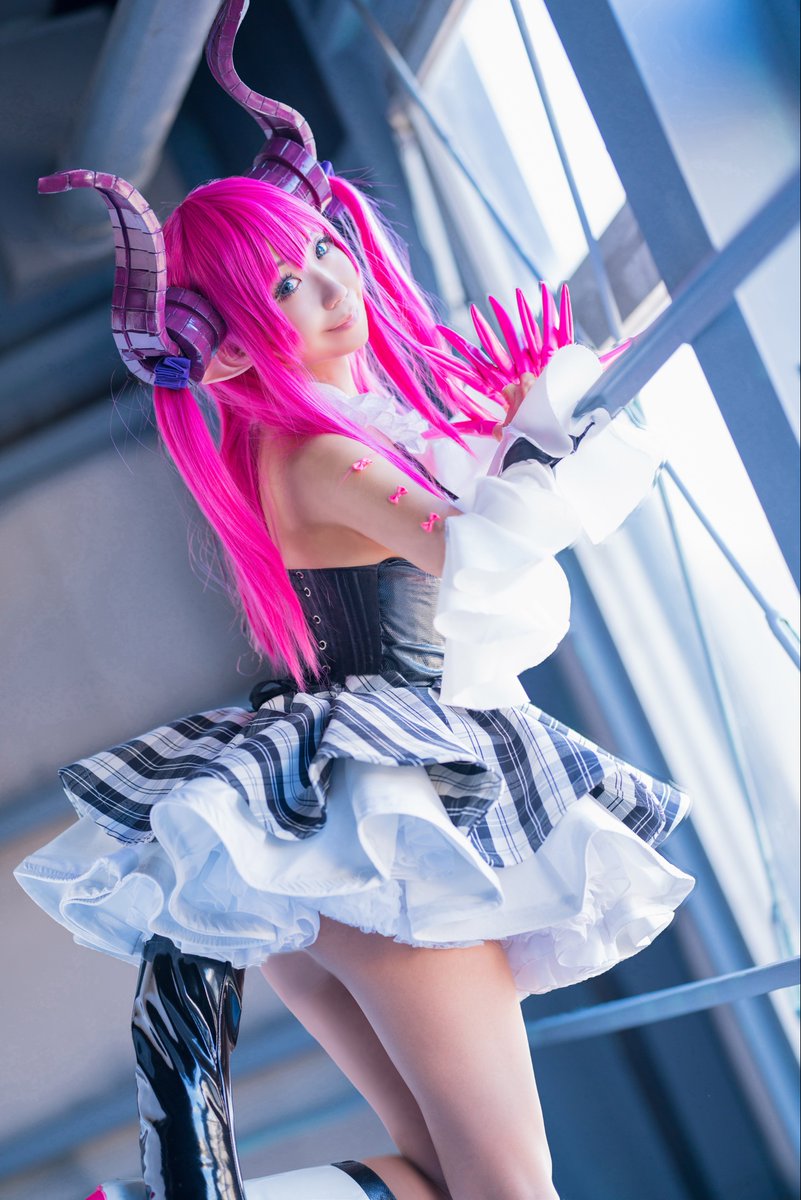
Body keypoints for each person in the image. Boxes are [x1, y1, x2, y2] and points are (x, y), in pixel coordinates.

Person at [14, 4, 696, 1199]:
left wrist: (510, 435)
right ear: (230, 350)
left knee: (447, 1182)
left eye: (322, 250)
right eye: (286, 283)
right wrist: (557, 437)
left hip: (349, 844)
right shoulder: (326, 456)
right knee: (512, 1188)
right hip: (386, 837)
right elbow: (479, 552)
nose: (331, 285)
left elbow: (470, 539)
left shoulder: (316, 449)